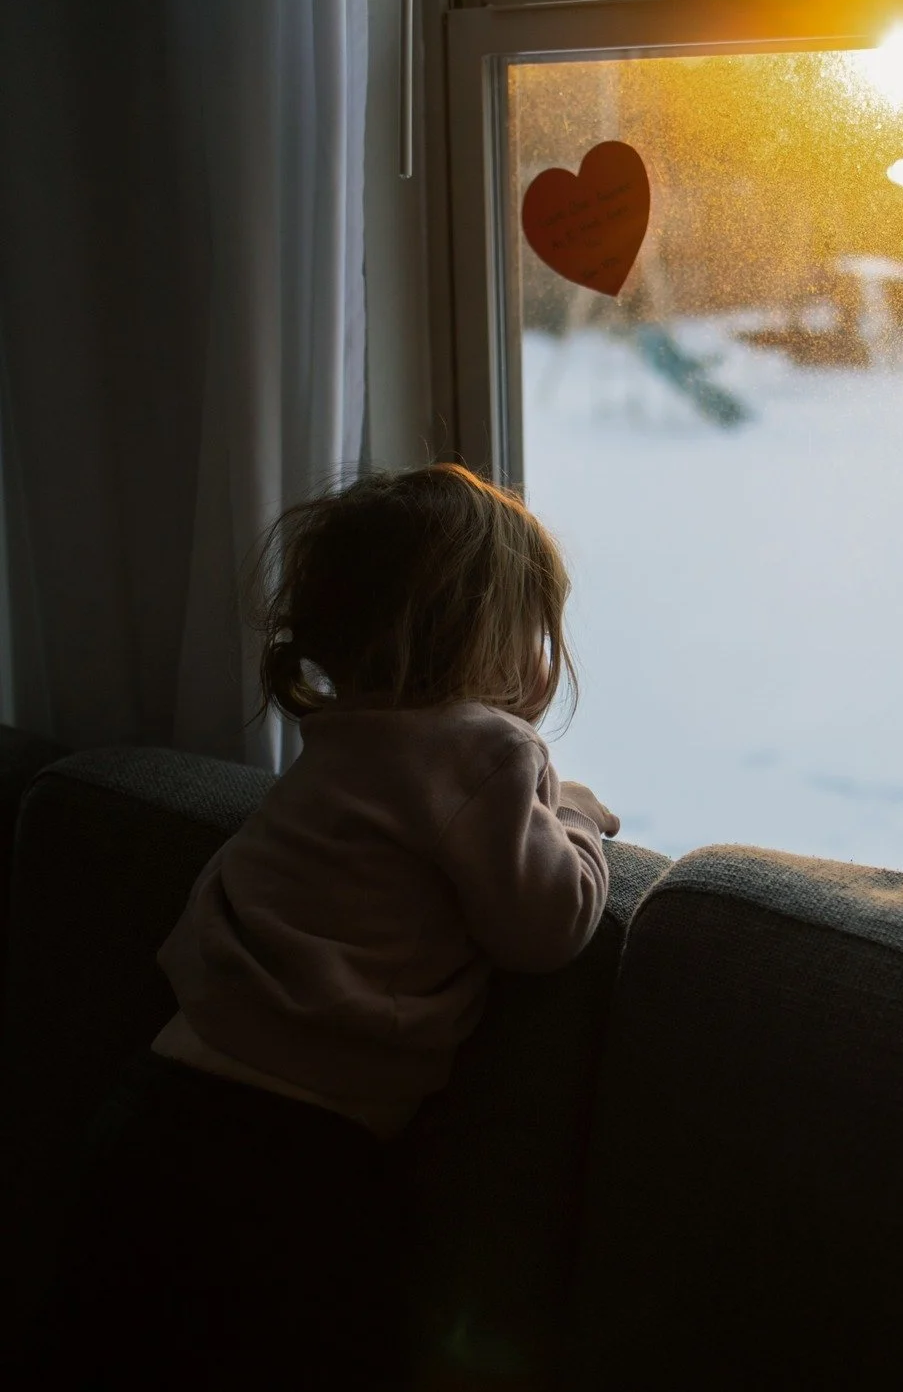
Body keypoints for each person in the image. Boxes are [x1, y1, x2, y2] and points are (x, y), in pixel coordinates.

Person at [28, 464, 619, 1391]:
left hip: (155, 1106)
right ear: (499, 631)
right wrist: (575, 817)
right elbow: (547, 927)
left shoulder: (338, 743)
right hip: (294, 1155)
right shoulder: (488, 750)